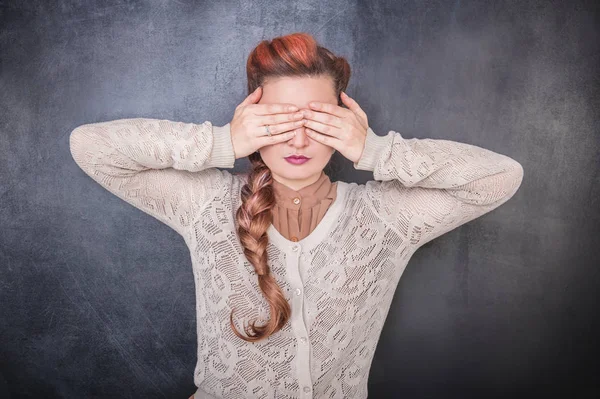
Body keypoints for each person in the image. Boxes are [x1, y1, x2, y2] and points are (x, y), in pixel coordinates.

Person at [69, 32, 524, 399]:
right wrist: (222, 142)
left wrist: (377, 150)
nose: (299, 142)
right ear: (253, 122)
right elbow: (91, 147)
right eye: (280, 123)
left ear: (344, 124)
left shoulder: (387, 217)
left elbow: (499, 177)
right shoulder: (206, 204)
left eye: (318, 121)